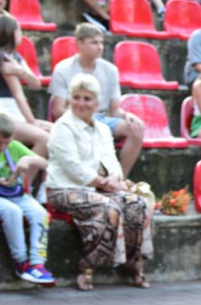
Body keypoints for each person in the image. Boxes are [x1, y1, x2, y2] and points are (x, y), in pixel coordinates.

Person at [46, 73, 153, 291]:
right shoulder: (62, 127)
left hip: (98, 187)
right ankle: (87, 266)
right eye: (77, 97)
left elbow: (111, 161)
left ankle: (133, 263)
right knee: (107, 208)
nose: (81, 103)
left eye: (87, 99)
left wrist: (114, 178)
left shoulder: (103, 129)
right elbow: (73, 167)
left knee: (136, 204)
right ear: (70, 99)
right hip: (64, 188)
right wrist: (103, 183)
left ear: (97, 103)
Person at [49, 23, 145, 175]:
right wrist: (82, 120)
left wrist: (127, 115)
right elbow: (58, 110)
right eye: (94, 42)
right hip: (73, 117)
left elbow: (114, 110)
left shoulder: (110, 70)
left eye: (101, 42)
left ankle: (120, 178)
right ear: (80, 43)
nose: (100, 47)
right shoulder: (63, 69)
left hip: (102, 118)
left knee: (136, 129)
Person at [0, 113, 53, 286]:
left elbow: (46, 164)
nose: (2, 147)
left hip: (16, 194)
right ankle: (21, 261)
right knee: (12, 212)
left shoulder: (15, 146)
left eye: (6, 143)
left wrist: (28, 159)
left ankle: (37, 263)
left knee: (40, 212)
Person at [0, 14, 51, 159]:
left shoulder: (15, 57)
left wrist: (22, 71)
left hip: (14, 113)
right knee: (44, 138)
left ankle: (44, 178)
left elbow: (35, 84)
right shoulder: (1, 58)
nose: (21, 34)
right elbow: (18, 95)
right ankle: (19, 178)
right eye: (18, 30)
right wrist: (32, 122)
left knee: (59, 131)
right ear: (10, 33)